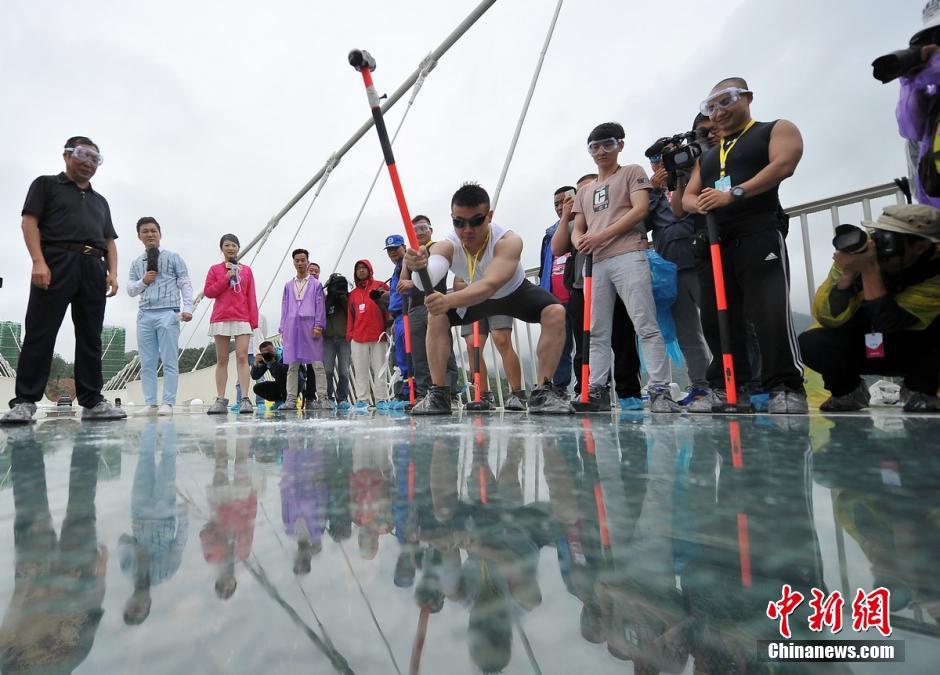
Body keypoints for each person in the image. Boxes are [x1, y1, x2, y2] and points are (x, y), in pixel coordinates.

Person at [681, 78, 807, 414]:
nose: (719, 112)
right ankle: (726, 386)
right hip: (713, 242)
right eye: (711, 107)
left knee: (769, 311)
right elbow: (687, 197)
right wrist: (701, 204)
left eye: (726, 102)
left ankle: (785, 386)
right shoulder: (708, 156)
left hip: (758, 231)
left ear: (747, 97)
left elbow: (785, 164)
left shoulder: (774, 129)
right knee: (717, 317)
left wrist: (734, 193)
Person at [405, 183, 572, 414]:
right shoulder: (447, 244)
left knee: (555, 312)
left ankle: (542, 391)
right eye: (459, 222)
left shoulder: (509, 241)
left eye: (476, 221)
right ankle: (439, 394)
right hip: (477, 297)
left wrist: (449, 301)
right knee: (437, 316)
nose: (467, 230)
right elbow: (427, 280)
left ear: (489, 217)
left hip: (513, 292)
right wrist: (418, 268)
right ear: (452, 219)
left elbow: (491, 284)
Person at [2, 136, 126, 424]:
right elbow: (29, 221)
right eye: (82, 155)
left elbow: (109, 240)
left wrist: (113, 272)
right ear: (66, 155)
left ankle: (93, 401)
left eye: (95, 159)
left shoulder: (100, 201)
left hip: (93, 266)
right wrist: (38, 261)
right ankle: (24, 402)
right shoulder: (46, 185)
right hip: (56, 262)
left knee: (91, 336)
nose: (88, 163)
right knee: (40, 331)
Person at [571, 123, 682, 413]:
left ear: (620, 144)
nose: (601, 152)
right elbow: (578, 227)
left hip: (628, 253)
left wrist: (601, 235)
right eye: (594, 147)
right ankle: (596, 388)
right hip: (596, 262)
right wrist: (580, 239)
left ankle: (660, 389)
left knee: (644, 322)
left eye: (607, 144)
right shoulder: (585, 190)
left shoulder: (632, 172)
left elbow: (640, 209)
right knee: (596, 330)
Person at [798, 204, 940, 412]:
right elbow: (827, 317)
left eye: (892, 239)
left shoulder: (936, 269)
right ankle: (847, 391)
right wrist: (847, 275)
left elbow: (889, 323)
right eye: (878, 234)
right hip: (865, 343)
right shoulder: (859, 252)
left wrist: (869, 270)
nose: (880, 245)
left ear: (921, 246)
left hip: (912, 348)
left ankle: (920, 390)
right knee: (811, 341)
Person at [552, 174, 644, 409]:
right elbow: (557, 248)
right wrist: (566, 215)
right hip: (582, 287)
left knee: (623, 339)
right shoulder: (575, 224)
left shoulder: (616, 214)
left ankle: (628, 392)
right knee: (585, 343)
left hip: (616, 280)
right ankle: (588, 389)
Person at [646, 160, 712, 403]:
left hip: (702, 261)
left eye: (663, 160)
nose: (659, 165)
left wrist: (686, 176)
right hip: (672, 271)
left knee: (719, 325)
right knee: (688, 334)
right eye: (653, 161)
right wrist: (653, 192)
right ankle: (701, 386)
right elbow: (642, 225)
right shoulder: (653, 194)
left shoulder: (694, 178)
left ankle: (737, 382)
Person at [127, 217, 193, 416]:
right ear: (139, 236)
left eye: (153, 231)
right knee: (147, 361)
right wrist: (143, 282)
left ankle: (168, 402)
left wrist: (187, 307)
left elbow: (185, 282)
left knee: (169, 360)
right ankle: (151, 403)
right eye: (145, 231)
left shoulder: (173, 257)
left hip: (168, 312)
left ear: (160, 234)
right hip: (145, 314)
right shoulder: (136, 263)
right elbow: (130, 289)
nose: (150, 234)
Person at [400, 216, 460, 399]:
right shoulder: (410, 255)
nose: (420, 232)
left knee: (444, 349)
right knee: (419, 353)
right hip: (415, 307)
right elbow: (402, 281)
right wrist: (405, 262)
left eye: (423, 228)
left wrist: (412, 283)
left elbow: (428, 275)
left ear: (431, 230)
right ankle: (425, 393)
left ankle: (449, 392)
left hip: (435, 303)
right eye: (415, 229)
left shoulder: (437, 249)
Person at [203, 234, 259, 415]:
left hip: (242, 317)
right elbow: (209, 292)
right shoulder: (215, 270)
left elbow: (251, 296)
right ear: (222, 248)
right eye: (227, 245)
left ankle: (244, 398)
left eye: (234, 245)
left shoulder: (247, 271)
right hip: (221, 317)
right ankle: (220, 399)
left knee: (242, 357)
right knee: (222, 359)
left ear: (238, 248)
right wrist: (226, 278)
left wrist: (254, 321)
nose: (231, 248)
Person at [279, 249, 326, 410]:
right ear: (293, 262)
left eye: (302, 260)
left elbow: (320, 305)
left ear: (308, 261)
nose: (300, 263)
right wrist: (283, 328)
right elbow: (284, 307)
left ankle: (323, 398)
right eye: (297, 260)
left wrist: (319, 325)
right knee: (293, 364)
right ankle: (291, 399)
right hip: (292, 327)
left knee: (317, 363)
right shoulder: (288, 285)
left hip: (310, 325)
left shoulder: (316, 284)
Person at [347, 259, 390, 408]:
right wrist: (350, 334)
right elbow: (350, 316)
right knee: (360, 370)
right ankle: (362, 400)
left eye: (364, 268)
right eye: (358, 268)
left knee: (380, 369)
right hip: (358, 337)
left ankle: (381, 399)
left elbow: (389, 306)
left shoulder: (380, 286)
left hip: (379, 335)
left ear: (369, 270)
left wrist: (388, 329)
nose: (361, 271)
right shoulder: (352, 294)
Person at [384, 234, 412, 408]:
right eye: (389, 250)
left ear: (404, 247)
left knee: (409, 355)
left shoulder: (409, 265)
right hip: (399, 317)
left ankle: (412, 392)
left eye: (395, 248)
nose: (392, 252)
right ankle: (405, 392)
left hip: (407, 313)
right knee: (401, 355)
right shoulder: (397, 269)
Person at [323, 273, 352, 409]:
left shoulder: (348, 299)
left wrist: (343, 299)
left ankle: (342, 398)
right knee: (327, 370)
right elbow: (322, 314)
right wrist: (331, 298)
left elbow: (352, 314)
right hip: (327, 339)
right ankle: (328, 397)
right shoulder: (325, 300)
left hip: (344, 338)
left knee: (344, 371)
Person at [251, 341, 290, 407]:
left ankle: (285, 400)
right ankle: (279, 400)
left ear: (274, 349)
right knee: (258, 387)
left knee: (282, 379)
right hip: (281, 385)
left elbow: (285, 373)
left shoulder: (283, 354)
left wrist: (273, 362)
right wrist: (255, 363)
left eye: (271, 351)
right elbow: (255, 376)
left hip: (293, 384)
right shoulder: (267, 359)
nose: (269, 354)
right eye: (266, 353)